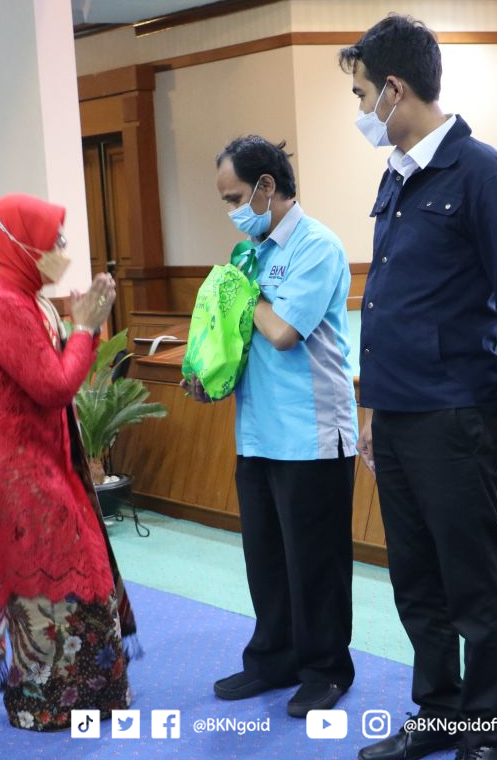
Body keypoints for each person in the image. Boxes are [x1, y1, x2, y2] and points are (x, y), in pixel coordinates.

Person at [339, 15, 497, 760]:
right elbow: (387, 305)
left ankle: (485, 731)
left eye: (362, 94)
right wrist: (371, 407)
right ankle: (439, 711)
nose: (361, 109)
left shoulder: (481, 173)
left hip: (455, 413)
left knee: (471, 583)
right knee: (416, 579)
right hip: (396, 413)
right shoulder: (396, 176)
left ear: (394, 89)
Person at [0, 193, 140, 732]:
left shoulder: (25, 297)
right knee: (55, 565)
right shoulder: (3, 304)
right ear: (23, 246)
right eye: (56, 241)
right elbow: (53, 387)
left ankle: (79, 692)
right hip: (12, 465)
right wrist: (85, 328)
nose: (64, 250)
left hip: (29, 455)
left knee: (74, 558)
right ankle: (51, 701)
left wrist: (79, 324)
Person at [183, 136, 358, 718]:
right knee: (265, 558)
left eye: (235, 198)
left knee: (315, 563)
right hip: (257, 431)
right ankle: (272, 658)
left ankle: (325, 670)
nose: (231, 211)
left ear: (266, 186)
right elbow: (236, 336)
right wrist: (207, 375)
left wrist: (243, 290)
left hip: (311, 434)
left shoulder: (317, 245)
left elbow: (282, 332)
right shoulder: (249, 253)